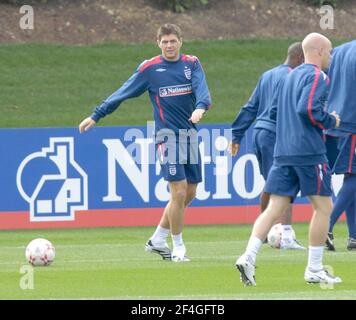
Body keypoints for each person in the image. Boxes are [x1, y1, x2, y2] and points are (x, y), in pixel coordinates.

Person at [79, 23, 212, 262]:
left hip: (190, 136)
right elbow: (123, 92)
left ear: (181, 41)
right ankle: (178, 247)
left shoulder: (191, 63)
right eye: (165, 42)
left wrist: (201, 107)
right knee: (179, 191)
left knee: (189, 192)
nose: (169, 45)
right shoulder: (150, 69)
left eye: (173, 41)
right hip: (167, 138)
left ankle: (158, 239)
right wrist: (96, 115)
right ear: (158, 43)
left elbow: (202, 89)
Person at [235, 33, 342, 286]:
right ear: (318, 51)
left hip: (283, 151)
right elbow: (308, 109)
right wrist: (331, 120)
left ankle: (248, 256)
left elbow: (273, 112)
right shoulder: (318, 76)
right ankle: (314, 269)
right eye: (329, 51)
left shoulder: (287, 77)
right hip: (308, 152)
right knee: (324, 208)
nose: (330, 56)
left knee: (274, 208)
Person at [229, 42, 305, 250]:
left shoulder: (268, 75)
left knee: (272, 184)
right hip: (277, 134)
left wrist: (236, 134)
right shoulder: (294, 76)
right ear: (300, 58)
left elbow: (250, 107)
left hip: (260, 134)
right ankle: (286, 237)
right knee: (286, 182)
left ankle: (261, 232)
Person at [323, 40, 356, 251]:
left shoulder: (340, 50)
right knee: (354, 177)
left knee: (350, 176)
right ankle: (326, 225)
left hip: (336, 121)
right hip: (352, 122)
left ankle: (354, 236)